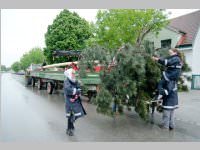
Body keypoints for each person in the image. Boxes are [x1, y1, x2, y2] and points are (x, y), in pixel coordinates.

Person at [152, 48, 182, 130]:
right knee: (171, 113)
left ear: (175, 52)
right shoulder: (173, 81)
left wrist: (157, 59)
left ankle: (165, 127)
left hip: (169, 101)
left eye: (170, 52)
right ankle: (171, 126)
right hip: (173, 100)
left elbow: (166, 62)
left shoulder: (175, 59)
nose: (169, 54)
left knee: (166, 113)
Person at [64, 68, 86, 136]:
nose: (74, 74)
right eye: (72, 73)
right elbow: (68, 90)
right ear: (69, 74)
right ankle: (69, 129)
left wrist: (77, 94)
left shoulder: (74, 80)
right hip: (69, 100)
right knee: (70, 115)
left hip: (75, 100)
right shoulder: (66, 81)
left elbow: (78, 87)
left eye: (74, 73)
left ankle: (71, 126)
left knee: (77, 114)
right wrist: (76, 92)